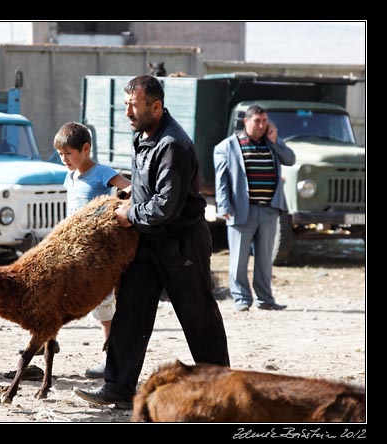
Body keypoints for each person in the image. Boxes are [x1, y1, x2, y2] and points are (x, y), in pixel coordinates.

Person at [74, 75, 230, 409]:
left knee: (197, 314)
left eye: (134, 105)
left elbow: (165, 206)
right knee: (129, 311)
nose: (127, 112)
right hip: (147, 242)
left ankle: (222, 388)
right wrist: (129, 193)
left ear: (156, 107)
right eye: (126, 105)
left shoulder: (172, 144)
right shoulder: (144, 136)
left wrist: (130, 214)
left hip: (181, 244)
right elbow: (152, 189)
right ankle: (118, 387)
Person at [53, 122, 131, 379]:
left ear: (85, 149)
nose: (64, 159)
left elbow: (129, 188)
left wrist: (115, 210)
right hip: (73, 249)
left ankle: (110, 357)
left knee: (103, 306)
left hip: (97, 253)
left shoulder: (101, 173)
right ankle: (47, 340)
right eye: (61, 154)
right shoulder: (70, 176)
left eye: (69, 154)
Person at [213, 104, 296, 312]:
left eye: (264, 121)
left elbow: (290, 159)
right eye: (257, 121)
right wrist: (223, 204)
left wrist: (276, 141)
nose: (261, 125)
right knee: (239, 260)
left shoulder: (272, 144)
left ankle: (265, 299)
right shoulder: (228, 146)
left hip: (269, 210)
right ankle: (242, 299)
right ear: (246, 122)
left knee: (265, 260)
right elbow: (221, 179)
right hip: (242, 210)